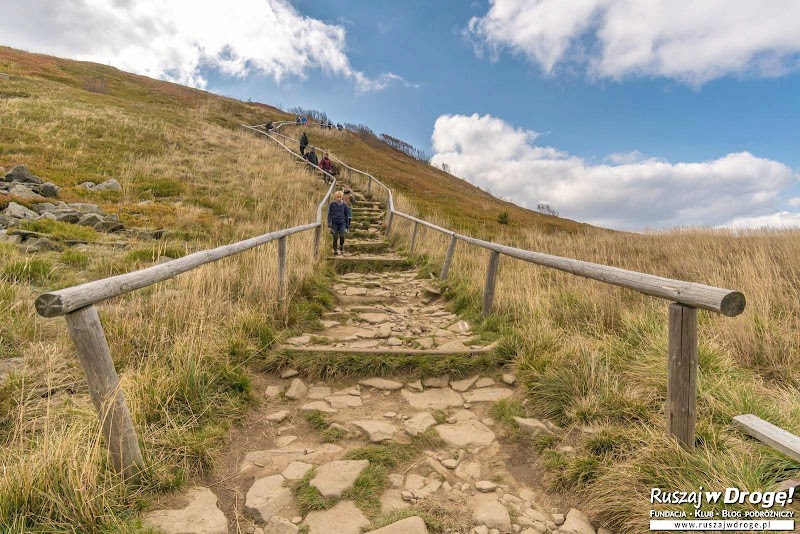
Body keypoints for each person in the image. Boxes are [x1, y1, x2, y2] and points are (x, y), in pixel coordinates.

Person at [327, 190, 349, 255]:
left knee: (342, 236)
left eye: (340, 197)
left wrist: (347, 226)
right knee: (335, 237)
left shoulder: (345, 205)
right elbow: (329, 214)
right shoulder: (332, 204)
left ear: (342, 197)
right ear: (335, 197)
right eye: (337, 197)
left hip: (342, 223)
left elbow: (346, 215)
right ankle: (335, 250)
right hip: (334, 223)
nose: (338, 198)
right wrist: (329, 223)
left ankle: (341, 246)